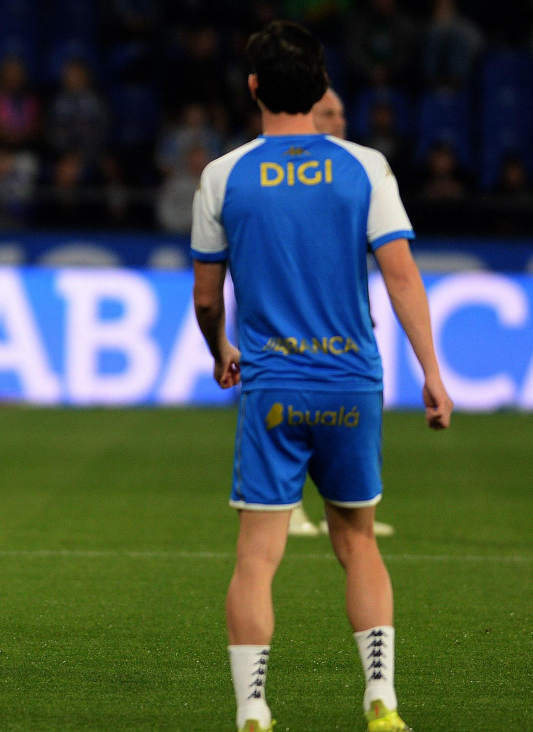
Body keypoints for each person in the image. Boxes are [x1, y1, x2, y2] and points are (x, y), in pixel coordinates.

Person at [191, 22, 452, 732]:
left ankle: (253, 707)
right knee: (357, 542)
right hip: (350, 381)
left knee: (257, 555)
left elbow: (208, 298)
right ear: (320, 87)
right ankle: (380, 698)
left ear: (253, 87)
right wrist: (431, 372)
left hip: (273, 386)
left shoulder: (224, 174)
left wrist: (219, 349)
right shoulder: (365, 167)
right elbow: (400, 275)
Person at [288, 87, 396, 539]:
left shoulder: (356, 171)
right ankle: (288, 507)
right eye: (328, 113)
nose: (339, 121)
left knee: (342, 411)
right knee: (285, 407)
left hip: (342, 315)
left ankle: (356, 509)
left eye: (342, 113)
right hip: (289, 314)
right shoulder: (285, 176)